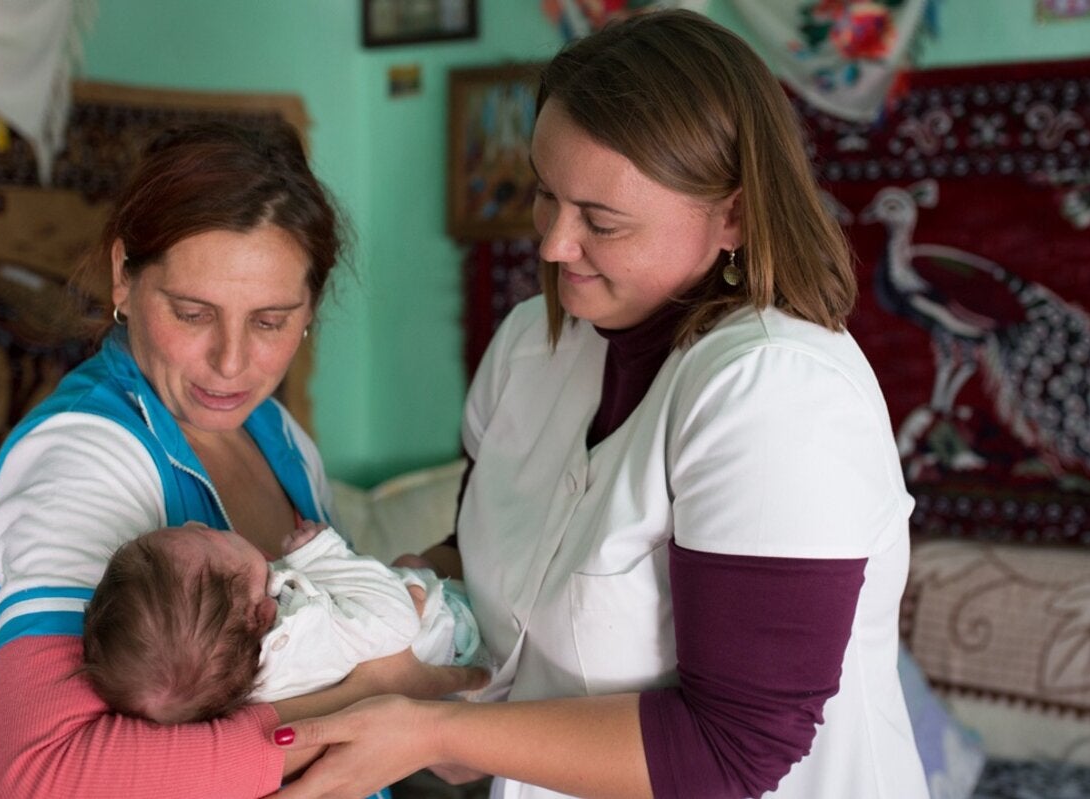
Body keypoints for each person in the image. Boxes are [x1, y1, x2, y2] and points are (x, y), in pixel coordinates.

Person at [272, 11, 930, 799]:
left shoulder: (776, 394)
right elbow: (491, 557)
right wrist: (394, 602)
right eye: (545, 195)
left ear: (734, 214)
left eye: (601, 221)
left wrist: (436, 730)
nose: (551, 244)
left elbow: (736, 748)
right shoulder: (531, 345)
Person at [0, 119, 485, 797]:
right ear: (124, 277)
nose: (232, 363)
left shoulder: (276, 435)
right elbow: (36, 779)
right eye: (193, 313)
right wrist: (379, 694)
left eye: (270, 321)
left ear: (311, 306)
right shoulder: (87, 461)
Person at [82, 519, 485, 722]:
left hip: (420, 634)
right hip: (459, 636)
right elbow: (398, 621)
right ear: (261, 613)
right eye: (209, 537)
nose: (194, 523)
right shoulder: (301, 639)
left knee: (410, 567)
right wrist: (321, 554)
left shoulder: (238, 661)